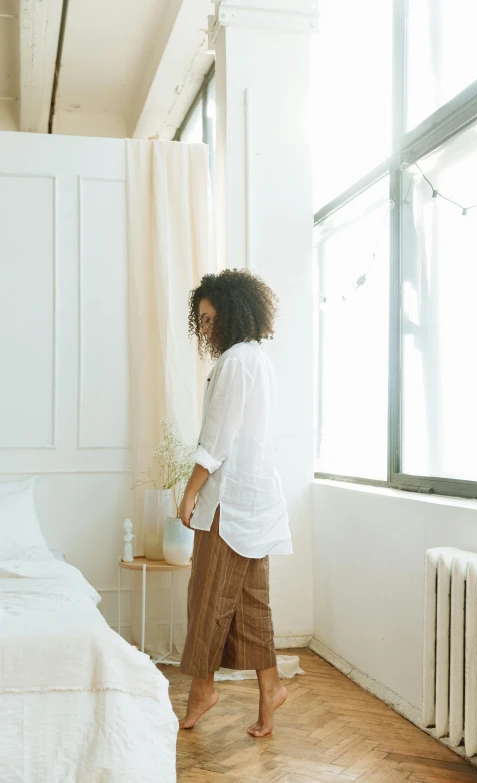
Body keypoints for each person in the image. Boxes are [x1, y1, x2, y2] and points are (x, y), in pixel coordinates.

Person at [178, 268, 292, 738]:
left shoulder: (233, 363)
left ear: (229, 312)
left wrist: (189, 492)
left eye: (208, 319)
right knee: (250, 604)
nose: (204, 329)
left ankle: (202, 689)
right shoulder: (258, 359)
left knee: (206, 598)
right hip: (258, 499)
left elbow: (217, 439)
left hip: (230, 503)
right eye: (200, 321)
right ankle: (271, 690)